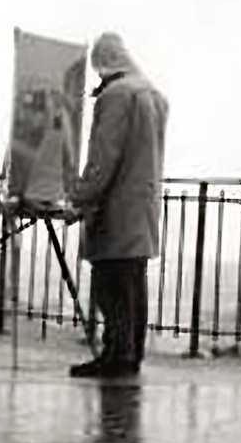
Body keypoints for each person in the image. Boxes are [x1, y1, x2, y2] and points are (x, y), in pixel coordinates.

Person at [69, 33, 169, 378]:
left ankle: (114, 356)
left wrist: (79, 198)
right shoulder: (153, 95)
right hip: (143, 207)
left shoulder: (115, 96)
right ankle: (130, 355)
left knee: (110, 285)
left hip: (116, 209)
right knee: (133, 285)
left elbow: (103, 159)